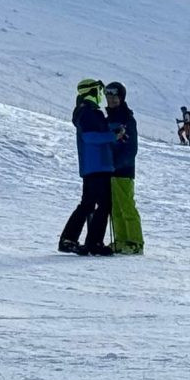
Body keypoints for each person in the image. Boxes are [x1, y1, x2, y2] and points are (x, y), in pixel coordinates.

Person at [58, 79, 114, 255]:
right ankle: (93, 242)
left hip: (93, 165)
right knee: (103, 204)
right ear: (93, 92)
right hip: (97, 165)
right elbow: (90, 137)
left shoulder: (86, 112)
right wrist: (113, 136)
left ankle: (71, 239)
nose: (101, 95)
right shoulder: (88, 112)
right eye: (99, 91)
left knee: (89, 203)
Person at [105, 81, 144, 254]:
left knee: (126, 205)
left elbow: (131, 148)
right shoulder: (108, 119)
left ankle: (135, 242)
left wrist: (118, 164)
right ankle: (121, 240)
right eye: (109, 96)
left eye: (115, 96)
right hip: (109, 169)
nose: (111, 100)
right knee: (115, 207)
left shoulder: (127, 119)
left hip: (123, 170)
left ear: (121, 97)